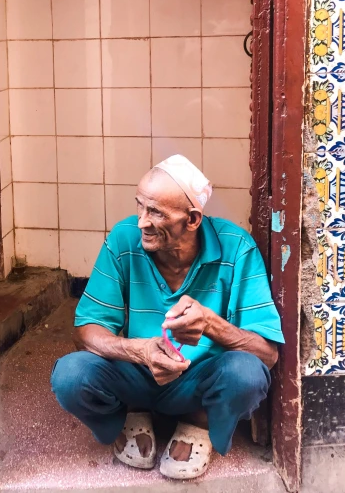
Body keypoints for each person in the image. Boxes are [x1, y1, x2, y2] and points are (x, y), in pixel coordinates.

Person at [51, 154, 284, 480]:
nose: (142, 222)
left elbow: (267, 354)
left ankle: (199, 421)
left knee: (247, 375)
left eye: (155, 212)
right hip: (135, 374)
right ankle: (128, 413)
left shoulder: (237, 248)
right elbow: (87, 329)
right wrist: (140, 351)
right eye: (140, 207)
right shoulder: (123, 239)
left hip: (200, 381)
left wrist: (210, 324)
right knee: (70, 375)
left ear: (191, 220)